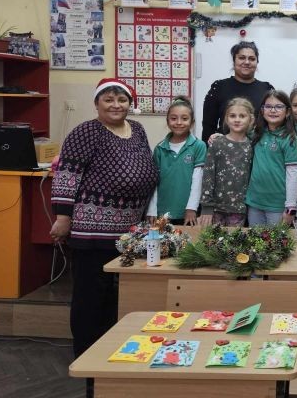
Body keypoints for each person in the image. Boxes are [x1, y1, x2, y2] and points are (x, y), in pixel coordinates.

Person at [50, 78, 157, 357]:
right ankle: (86, 355)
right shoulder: (86, 132)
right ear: (97, 103)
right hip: (92, 232)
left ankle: (109, 353)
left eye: (121, 100)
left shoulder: (137, 129)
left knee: (114, 296)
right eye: (108, 99)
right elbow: (67, 175)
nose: (115, 105)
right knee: (90, 296)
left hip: (127, 231)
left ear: (130, 103)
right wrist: (63, 216)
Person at [145, 96, 206, 226]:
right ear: (167, 122)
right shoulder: (160, 148)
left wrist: (191, 208)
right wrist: (152, 210)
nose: (179, 122)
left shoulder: (198, 146)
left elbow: (197, 180)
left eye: (184, 118)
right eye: (173, 118)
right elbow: (154, 182)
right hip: (162, 212)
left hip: (188, 213)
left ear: (192, 122)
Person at [244, 90, 297, 226]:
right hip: (254, 202)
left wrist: (291, 207)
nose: (273, 110)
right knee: (254, 238)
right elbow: (236, 134)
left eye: (279, 107)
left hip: (278, 205)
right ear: (262, 110)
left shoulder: (290, 139)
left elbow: (293, 174)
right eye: (268, 106)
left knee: (276, 240)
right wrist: (217, 136)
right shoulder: (256, 134)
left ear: (287, 112)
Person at [201, 41, 274, 144]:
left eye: (252, 59)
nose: (247, 62)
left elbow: (274, 124)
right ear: (234, 60)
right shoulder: (219, 87)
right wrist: (209, 148)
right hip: (225, 149)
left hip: (258, 149)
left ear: (257, 62)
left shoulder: (266, 89)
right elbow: (208, 126)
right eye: (242, 58)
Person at [199, 98, 255, 227]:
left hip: (239, 209)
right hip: (215, 208)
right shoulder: (217, 143)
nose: (237, 119)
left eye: (242, 116)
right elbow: (208, 176)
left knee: (233, 240)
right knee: (212, 239)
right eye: (232, 116)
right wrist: (206, 206)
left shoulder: (252, 145)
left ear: (250, 119)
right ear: (226, 119)